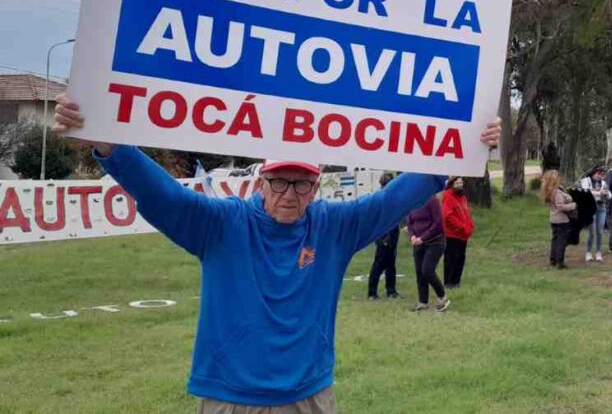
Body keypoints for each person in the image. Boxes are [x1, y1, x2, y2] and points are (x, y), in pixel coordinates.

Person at [51, 94, 500, 413]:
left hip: (309, 395)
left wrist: (463, 149)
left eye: (302, 182)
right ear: (261, 181)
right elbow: (164, 196)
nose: (290, 193)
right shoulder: (221, 224)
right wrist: (109, 144)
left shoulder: (332, 226)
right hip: (231, 397)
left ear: (316, 184)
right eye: (280, 181)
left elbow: (392, 200)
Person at [407, 195, 450, 312]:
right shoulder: (413, 200)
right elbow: (410, 222)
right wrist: (412, 236)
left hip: (435, 241)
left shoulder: (432, 200)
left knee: (427, 270)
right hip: (418, 243)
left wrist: (423, 238)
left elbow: (438, 224)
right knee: (419, 272)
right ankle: (423, 302)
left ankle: (442, 297)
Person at [366, 172, 403, 300]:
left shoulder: (393, 198)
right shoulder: (379, 198)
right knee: (379, 264)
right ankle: (372, 292)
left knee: (391, 264)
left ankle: (391, 290)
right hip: (383, 235)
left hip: (393, 233)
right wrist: (382, 238)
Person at [442, 176, 474, 289]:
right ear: (452, 184)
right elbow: (448, 216)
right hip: (453, 234)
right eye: (457, 183)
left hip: (463, 234)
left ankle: (456, 281)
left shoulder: (463, 197)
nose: (460, 185)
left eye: (461, 183)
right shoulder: (448, 197)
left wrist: (470, 225)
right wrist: (461, 227)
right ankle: (448, 282)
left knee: (461, 258)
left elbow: (466, 212)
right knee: (451, 258)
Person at [542, 170, 576, 269]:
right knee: (561, 241)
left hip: (553, 219)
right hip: (561, 220)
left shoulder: (548, 190)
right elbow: (560, 207)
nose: (560, 178)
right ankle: (560, 262)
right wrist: (573, 205)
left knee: (555, 239)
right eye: (558, 177)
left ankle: (553, 259)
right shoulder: (556, 192)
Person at [580, 167, 611, 262]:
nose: (600, 176)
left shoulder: (603, 183)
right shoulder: (586, 180)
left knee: (600, 231)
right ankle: (588, 252)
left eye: (602, 175)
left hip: (601, 207)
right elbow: (586, 192)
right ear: (593, 173)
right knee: (592, 231)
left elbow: (609, 194)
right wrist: (599, 193)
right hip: (591, 208)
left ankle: (598, 252)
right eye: (598, 174)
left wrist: (606, 194)